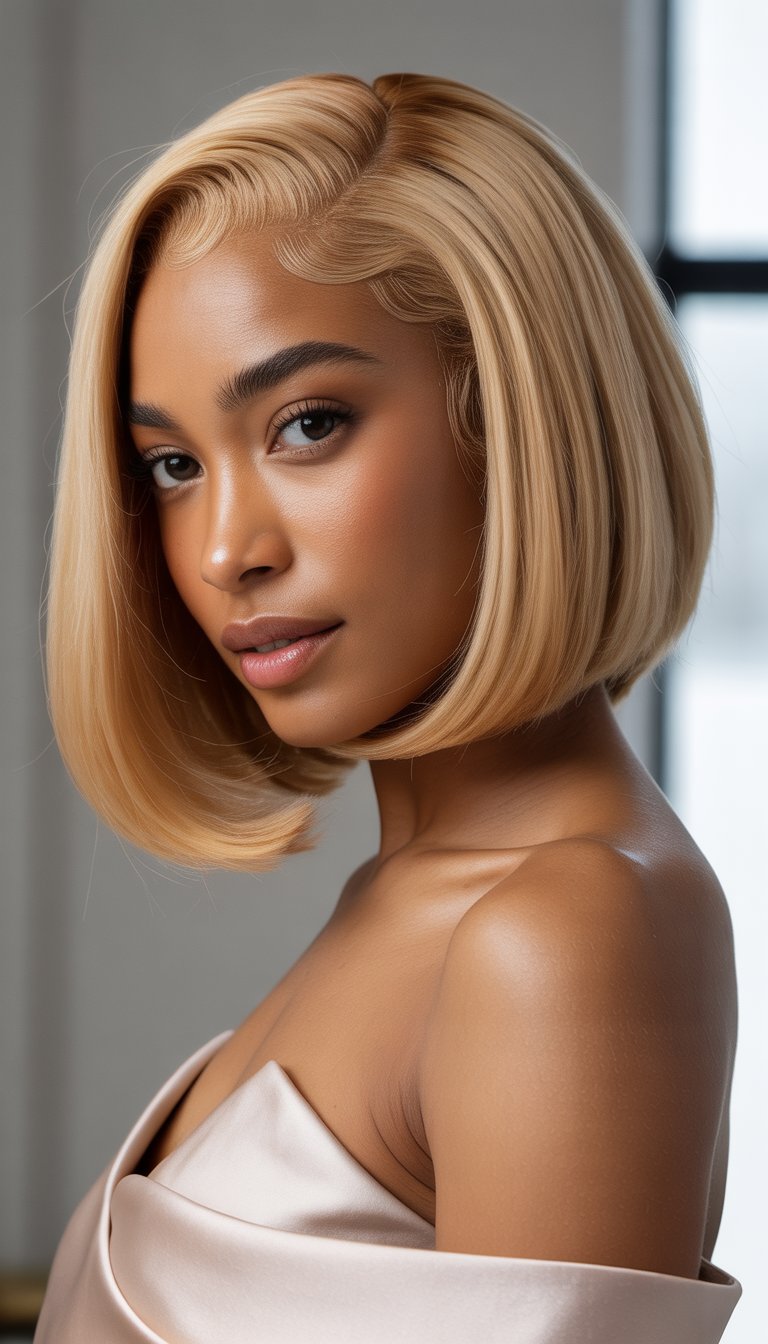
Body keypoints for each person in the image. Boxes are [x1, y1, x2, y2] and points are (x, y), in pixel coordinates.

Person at [34, 71, 741, 1342]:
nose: (222, 549)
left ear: (523, 420)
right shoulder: (423, 899)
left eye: (307, 424)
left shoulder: (564, 927)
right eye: (174, 465)